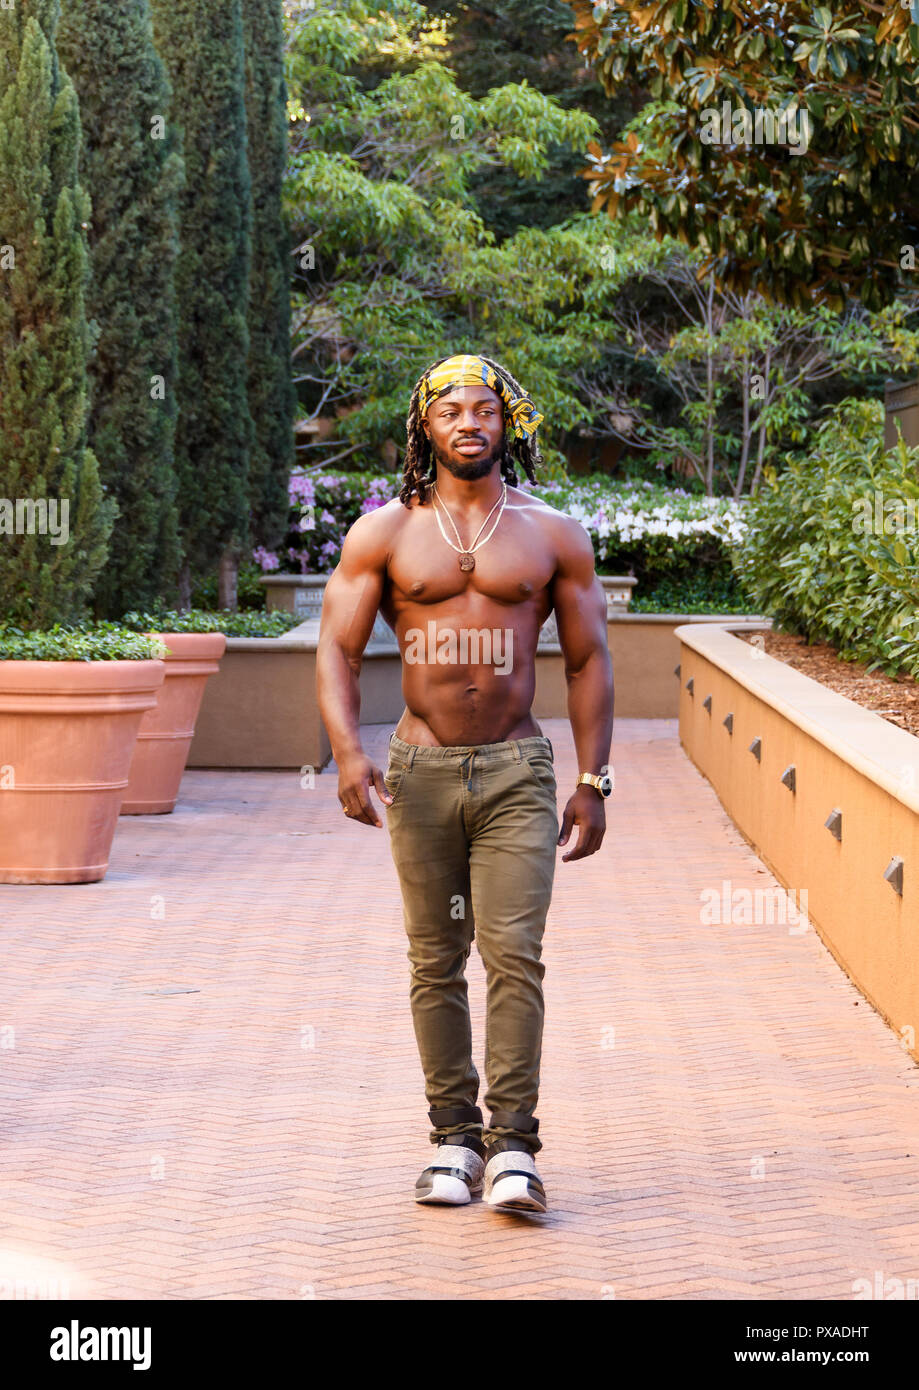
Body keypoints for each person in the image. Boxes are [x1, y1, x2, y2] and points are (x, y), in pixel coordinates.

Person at [316, 353, 614, 1213]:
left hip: (518, 770)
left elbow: (589, 660)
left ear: (507, 424)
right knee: (434, 959)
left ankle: (514, 1146)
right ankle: (452, 1139)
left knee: (514, 955)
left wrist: (593, 780)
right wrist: (345, 751)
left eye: (486, 409)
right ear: (426, 427)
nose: (470, 423)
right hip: (420, 771)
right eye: (452, 412)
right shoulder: (383, 533)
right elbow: (336, 648)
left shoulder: (552, 532)